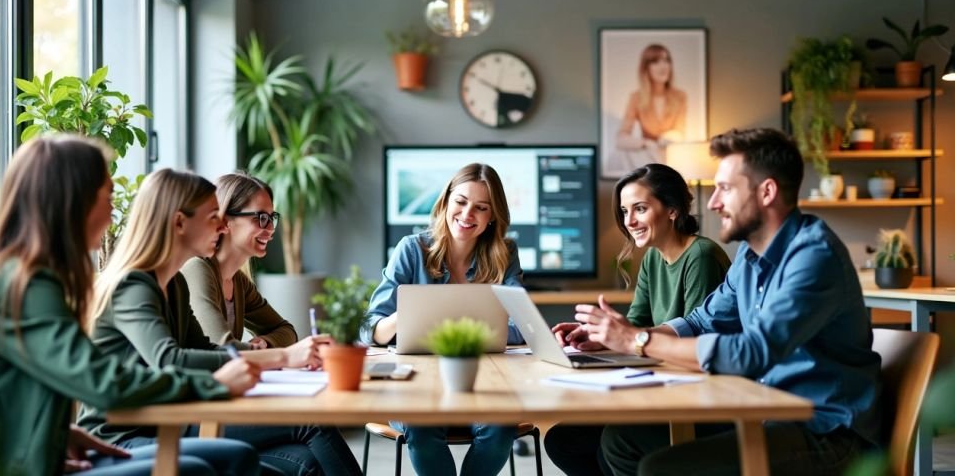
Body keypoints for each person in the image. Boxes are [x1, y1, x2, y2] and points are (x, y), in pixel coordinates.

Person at [0, 137, 261, 476]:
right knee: (197, 469)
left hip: (22, 454)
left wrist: (57, 435)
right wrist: (216, 384)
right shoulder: (24, 282)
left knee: (231, 458)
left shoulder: (25, 273)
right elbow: (104, 382)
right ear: (74, 202)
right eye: (109, 196)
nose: (114, 210)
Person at [570, 128, 881, 475]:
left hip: (822, 430)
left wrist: (637, 341)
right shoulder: (750, 253)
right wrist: (618, 336)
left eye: (726, 189)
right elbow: (702, 321)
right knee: (624, 443)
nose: (714, 202)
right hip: (762, 413)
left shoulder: (813, 257)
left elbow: (752, 352)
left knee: (662, 468)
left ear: (767, 192)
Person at [77, 168, 362, 476]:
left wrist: (268, 356)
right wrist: (281, 355)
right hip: (123, 435)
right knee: (309, 422)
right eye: (213, 216)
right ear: (179, 223)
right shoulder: (133, 284)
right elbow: (168, 358)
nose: (222, 225)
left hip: (165, 420)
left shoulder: (174, 285)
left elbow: (206, 347)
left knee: (302, 461)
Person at [543, 163, 731, 475]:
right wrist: (599, 335)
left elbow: (699, 339)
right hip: (664, 385)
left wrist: (626, 337)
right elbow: (634, 327)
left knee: (612, 444)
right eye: (624, 211)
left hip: (698, 396)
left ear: (672, 210)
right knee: (563, 439)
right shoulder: (653, 258)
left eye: (640, 209)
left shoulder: (701, 256)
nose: (629, 221)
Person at [359, 163, 525, 476]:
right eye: (460, 202)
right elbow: (370, 329)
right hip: (416, 388)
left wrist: (461, 331)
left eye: (481, 208)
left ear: (492, 217)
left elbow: (521, 325)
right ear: (445, 202)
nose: (467, 214)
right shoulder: (411, 250)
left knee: (501, 429)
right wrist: (404, 317)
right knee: (422, 429)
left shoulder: (505, 253)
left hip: (482, 385)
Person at [181, 172, 297, 349]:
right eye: (261, 218)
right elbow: (220, 348)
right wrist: (260, 351)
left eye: (271, 218)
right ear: (225, 221)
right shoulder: (196, 268)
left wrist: (265, 342)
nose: (271, 229)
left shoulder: (238, 282)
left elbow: (286, 330)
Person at [613, 44, 688, 170]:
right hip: (647, 155)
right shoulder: (636, 97)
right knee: (623, 154)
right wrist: (645, 143)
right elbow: (621, 138)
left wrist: (667, 137)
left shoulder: (680, 96)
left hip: (671, 153)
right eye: (656, 62)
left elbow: (680, 131)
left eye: (666, 60)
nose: (663, 66)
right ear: (646, 68)